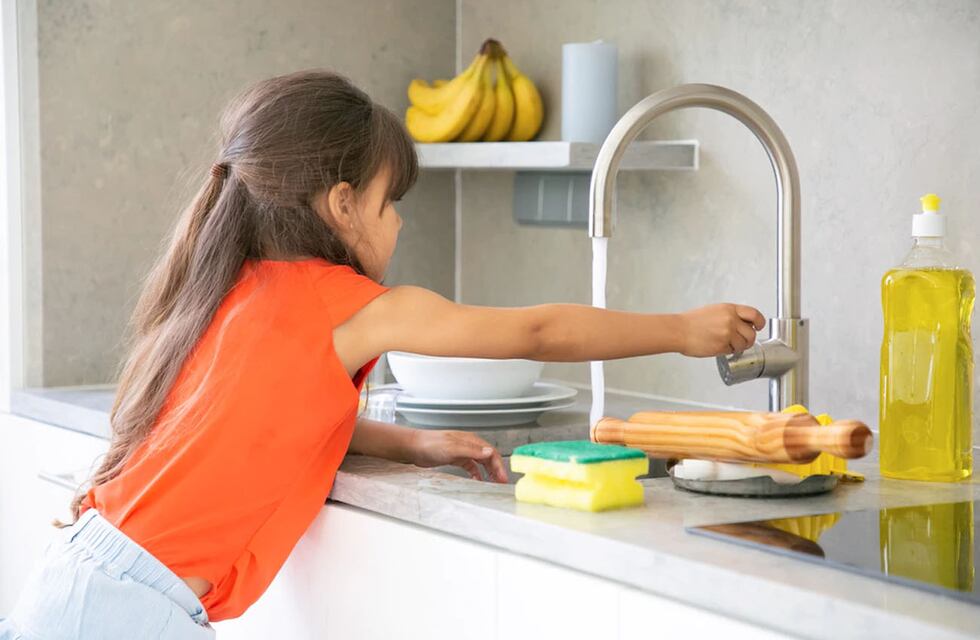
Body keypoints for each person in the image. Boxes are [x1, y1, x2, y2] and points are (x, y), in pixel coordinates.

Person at [0, 70, 764, 639]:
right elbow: (535, 334)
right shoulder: (345, 305)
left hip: (78, 578)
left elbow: (269, 423)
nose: (396, 224)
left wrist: (411, 441)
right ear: (340, 205)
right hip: (128, 611)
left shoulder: (232, 290)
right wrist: (681, 328)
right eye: (388, 200)